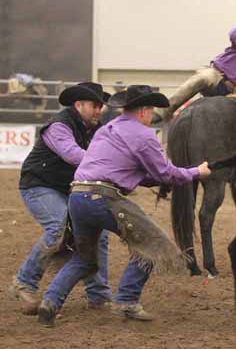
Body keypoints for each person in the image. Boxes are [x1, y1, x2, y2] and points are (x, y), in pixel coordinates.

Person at [37, 85, 212, 327]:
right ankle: (127, 301)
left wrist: (159, 178)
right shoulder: (144, 135)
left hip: (78, 196)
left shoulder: (106, 130)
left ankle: (50, 302)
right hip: (104, 197)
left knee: (85, 258)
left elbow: (127, 168)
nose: (151, 117)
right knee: (154, 245)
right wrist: (196, 172)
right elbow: (165, 172)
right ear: (143, 111)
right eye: (151, 111)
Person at [10, 82, 112, 315]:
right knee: (57, 227)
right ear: (79, 105)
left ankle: (98, 295)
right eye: (95, 105)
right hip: (39, 185)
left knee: (100, 231)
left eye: (101, 105)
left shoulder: (96, 129)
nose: (99, 110)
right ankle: (23, 282)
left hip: (69, 189)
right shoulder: (59, 126)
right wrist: (109, 164)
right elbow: (73, 154)